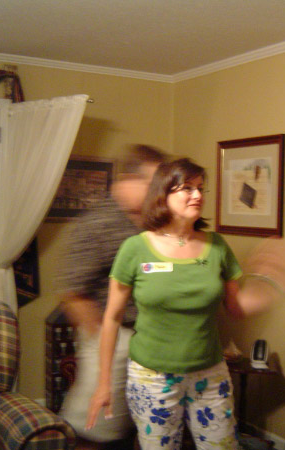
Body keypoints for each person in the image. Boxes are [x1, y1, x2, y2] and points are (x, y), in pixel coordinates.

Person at [85, 158, 285, 450]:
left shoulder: (217, 246)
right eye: (187, 188)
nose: (198, 195)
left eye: (200, 188)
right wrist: (103, 383)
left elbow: (235, 308)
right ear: (163, 194)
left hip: (209, 374)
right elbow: (111, 318)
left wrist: (271, 287)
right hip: (152, 377)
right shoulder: (135, 249)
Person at [58, 144, 168, 449]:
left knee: (142, 422)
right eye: (152, 183)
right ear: (127, 181)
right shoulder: (98, 223)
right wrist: (106, 342)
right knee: (97, 426)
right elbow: (72, 291)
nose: (159, 192)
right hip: (114, 337)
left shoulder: (154, 223)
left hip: (152, 338)